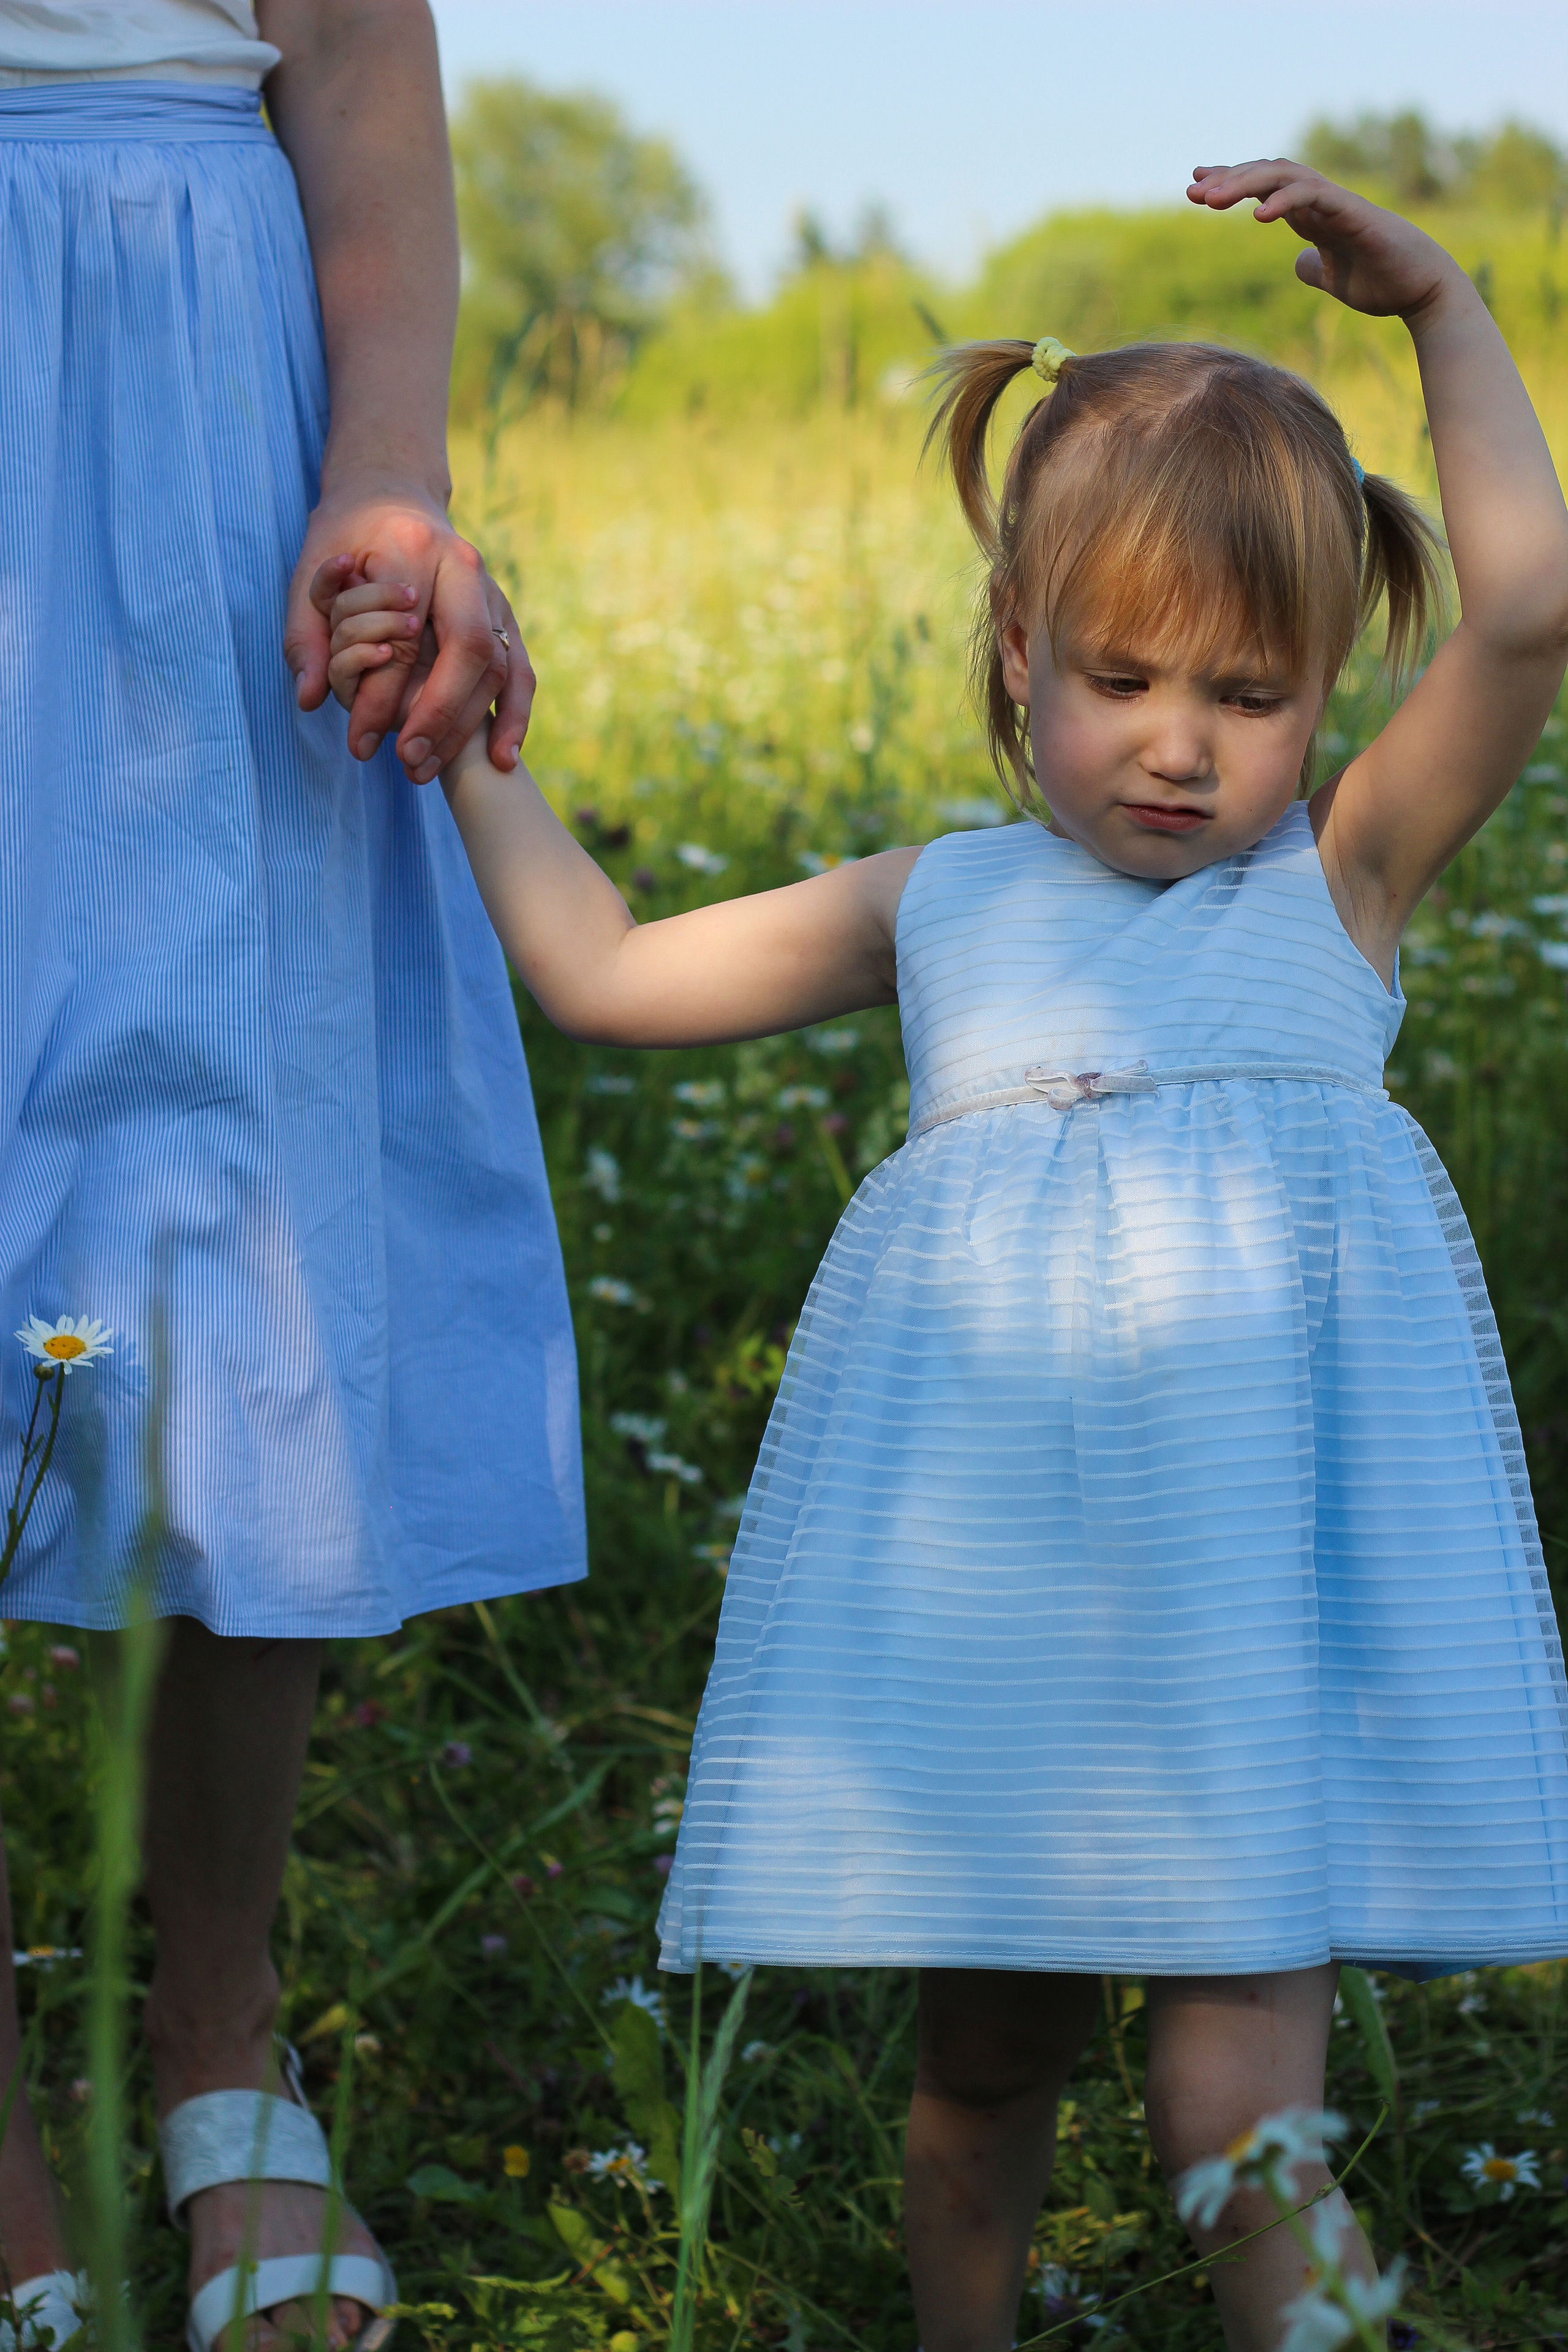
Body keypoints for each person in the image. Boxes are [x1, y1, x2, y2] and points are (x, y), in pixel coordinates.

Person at [328, 157, 1568, 2352]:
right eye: (1121, 677)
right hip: (1005, 1605)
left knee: (1230, 2122)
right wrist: (461, 736)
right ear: (1016, 652)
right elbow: (603, 970)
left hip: (1241, 1625)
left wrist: (1445, 311)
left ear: (1322, 699)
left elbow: (1532, 613)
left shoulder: (1339, 884)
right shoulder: (943, 903)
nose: (1184, 743)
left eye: (1254, 695)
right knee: (981, 2071)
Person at [0, 6, 585, 2348]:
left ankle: (212, 2024)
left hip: (191, 417)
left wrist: (388, 465)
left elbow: (345, 37)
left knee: (251, 1201)